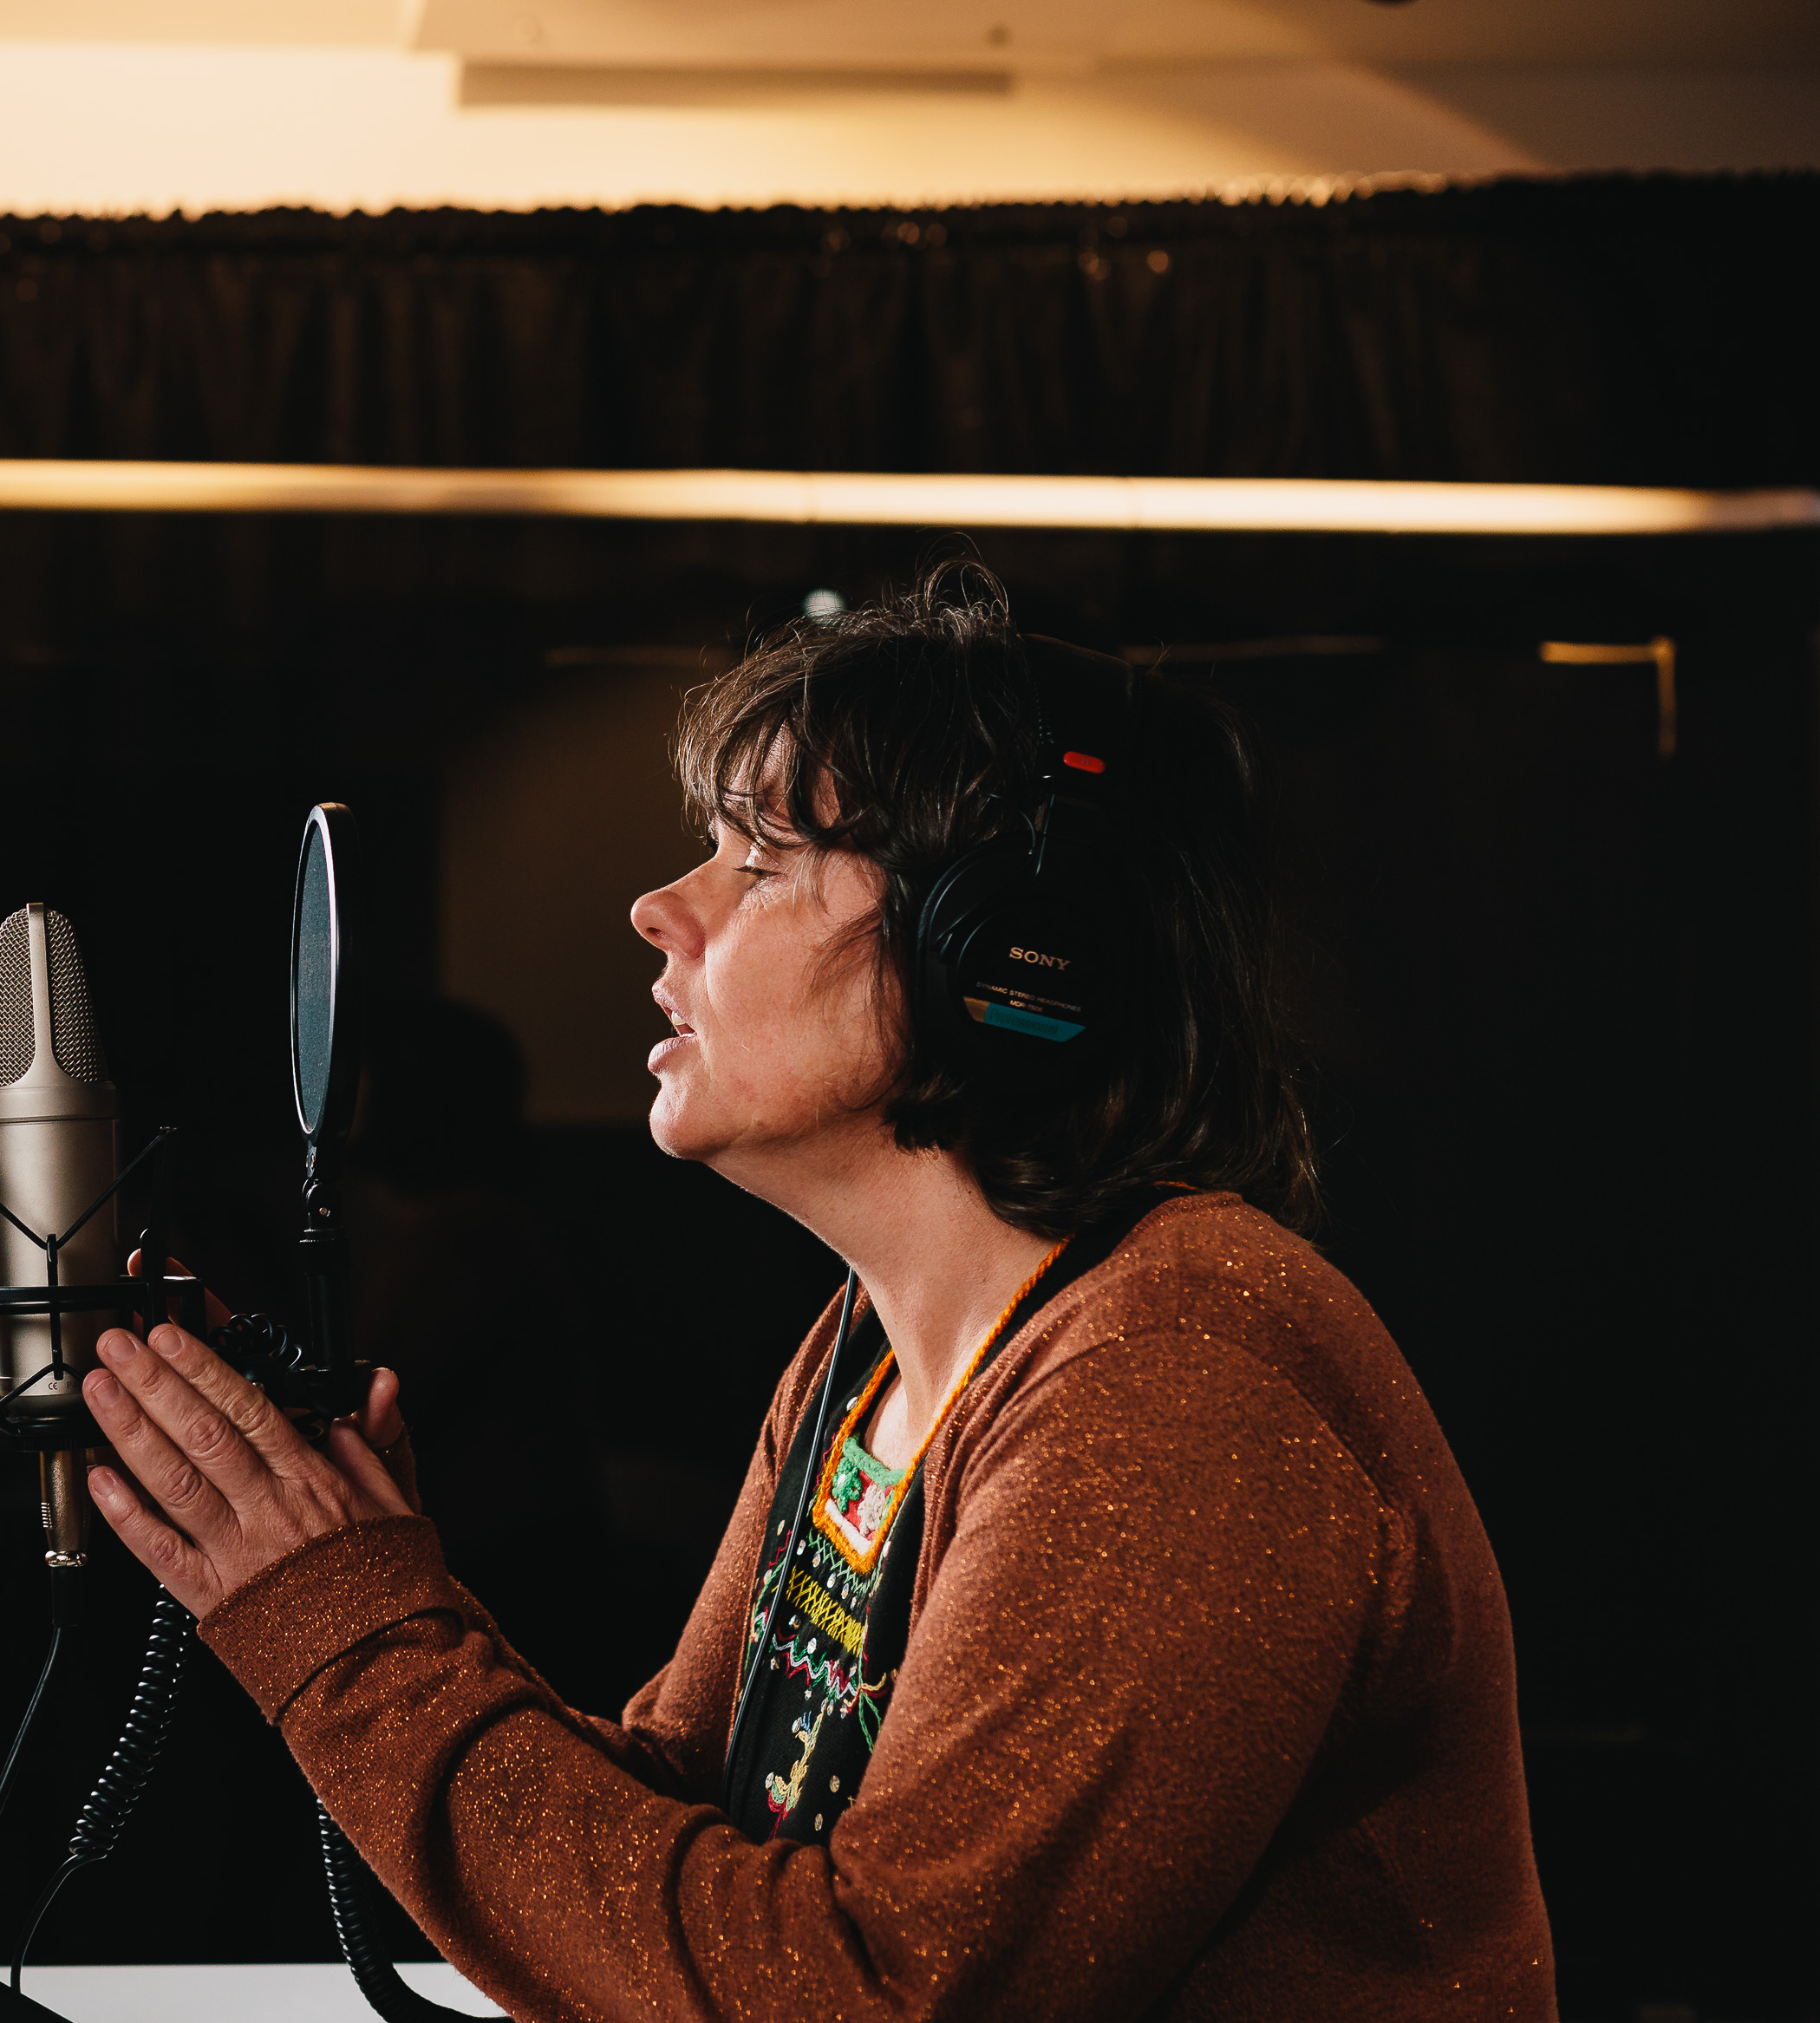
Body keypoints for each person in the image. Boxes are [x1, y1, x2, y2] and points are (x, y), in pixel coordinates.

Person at [79, 564, 1556, 2020]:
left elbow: (863, 1998)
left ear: (1004, 951)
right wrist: (368, 1577)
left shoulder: (1174, 1384)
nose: (661, 905)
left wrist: (350, 1637)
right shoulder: (876, 1347)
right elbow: (683, 1810)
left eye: (760, 858)